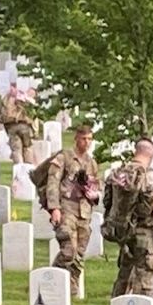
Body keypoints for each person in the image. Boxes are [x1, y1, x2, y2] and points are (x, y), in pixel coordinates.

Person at [104, 138, 153, 298]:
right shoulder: (151, 178)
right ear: (151, 154)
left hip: (123, 232)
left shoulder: (117, 175)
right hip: (144, 234)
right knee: (144, 277)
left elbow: (107, 202)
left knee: (124, 274)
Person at [45, 125, 103, 295]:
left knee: (78, 255)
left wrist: (92, 190)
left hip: (84, 212)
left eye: (90, 139)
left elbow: (96, 185)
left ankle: (71, 289)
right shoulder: (64, 158)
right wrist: (54, 208)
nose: (87, 142)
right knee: (69, 249)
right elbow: (53, 183)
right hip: (66, 208)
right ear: (76, 139)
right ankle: (51, 279)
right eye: (84, 138)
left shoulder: (91, 163)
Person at [0, 87, 37, 164]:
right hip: (24, 126)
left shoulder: (7, 100)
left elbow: (2, 115)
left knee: (16, 149)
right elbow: (33, 118)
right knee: (27, 147)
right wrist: (35, 132)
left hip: (11, 126)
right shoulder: (28, 102)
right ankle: (28, 166)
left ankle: (19, 167)